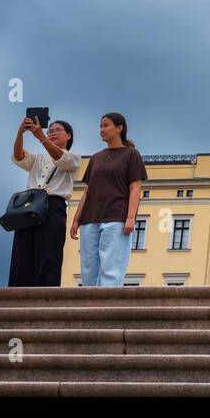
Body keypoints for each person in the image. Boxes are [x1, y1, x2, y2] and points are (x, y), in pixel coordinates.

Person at [71, 112, 146, 287]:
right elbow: (87, 190)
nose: (102, 129)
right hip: (90, 217)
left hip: (116, 216)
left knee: (111, 267)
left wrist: (130, 217)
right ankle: (89, 307)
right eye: (100, 126)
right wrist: (76, 218)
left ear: (119, 128)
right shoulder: (96, 157)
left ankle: (107, 307)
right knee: (88, 267)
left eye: (106, 125)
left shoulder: (131, 154)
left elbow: (135, 188)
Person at [8, 116, 79, 286]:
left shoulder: (73, 157)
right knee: (22, 254)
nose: (52, 133)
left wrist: (41, 136)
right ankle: (17, 295)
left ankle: (45, 296)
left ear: (68, 136)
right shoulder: (39, 157)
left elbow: (59, 158)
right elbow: (18, 156)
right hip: (30, 204)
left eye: (57, 130)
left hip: (53, 205)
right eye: (50, 130)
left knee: (48, 255)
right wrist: (21, 133)